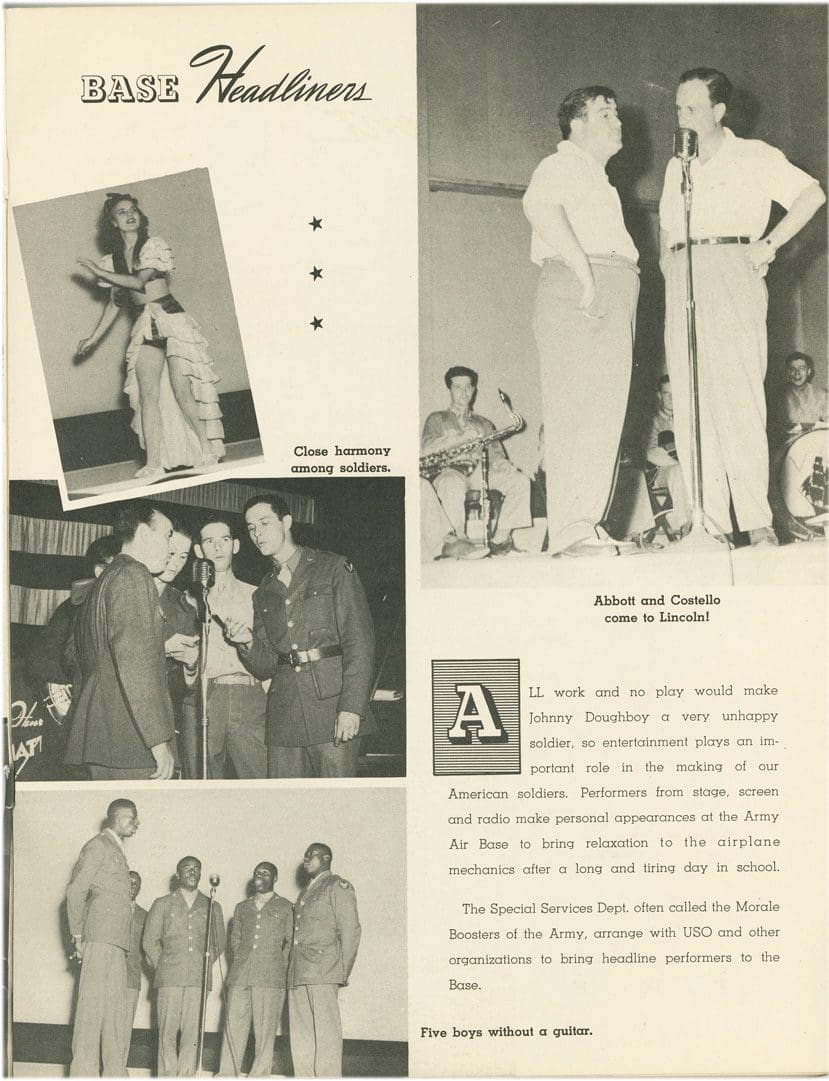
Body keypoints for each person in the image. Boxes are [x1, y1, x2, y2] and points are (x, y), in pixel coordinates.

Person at [659, 68, 825, 546]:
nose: (682, 117)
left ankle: (756, 522)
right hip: (683, 271)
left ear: (718, 111)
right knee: (691, 400)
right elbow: (669, 227)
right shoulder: (678, 165)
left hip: (733, 265)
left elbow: (811, 194)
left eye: (692, 108)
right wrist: (670, 268)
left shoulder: (753, 155)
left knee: (739, 399)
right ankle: (707, 522)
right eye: (677, 108)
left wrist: (769, 244)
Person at [523, 86, 640, 557]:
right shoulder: (563, 163)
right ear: (576, 124)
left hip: (611, 282)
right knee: (576, 410)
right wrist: (583, 271)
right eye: (604, 113)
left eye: (615, 113)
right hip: (581, 282)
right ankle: (571, 529)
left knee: (605, 414)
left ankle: (586, 524)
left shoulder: (598, 177)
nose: (617, 121)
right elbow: (539, 206)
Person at [223, 495, 376, 779]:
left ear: (287, 522)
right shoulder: (263, 593)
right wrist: (246, 642)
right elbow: (266, 665)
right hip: (285, 718)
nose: (257, 533)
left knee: (337, 805)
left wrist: (352, 708)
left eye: (264, 523)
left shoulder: (333, 568)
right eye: (251, 527)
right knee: (288, 807)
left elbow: (360, 642)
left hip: (332, 710)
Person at [75, 192, 224, 481]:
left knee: (182, 390)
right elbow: (117, 302)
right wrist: (92, 338)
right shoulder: (113, 260)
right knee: (147, 396)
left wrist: (95, 270)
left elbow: (139, 283)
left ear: (140, 217)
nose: (129, 215)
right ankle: (154, 462)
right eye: (121, 212)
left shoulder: (154, 246)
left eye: (133, 210)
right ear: (113, 222)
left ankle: (207, 449)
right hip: (146, 324)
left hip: (172, 319)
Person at [63, 502, 178, 780]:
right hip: (130, 737)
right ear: (143, 534)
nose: (171, 548)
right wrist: (158, 741)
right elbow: (135, 663)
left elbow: (76, 658)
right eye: (167, 536)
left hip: (104, 734)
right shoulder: (133, 574)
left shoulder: (105, 580)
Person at [421, 366, 531, 554]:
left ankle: (500, 539)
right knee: (451, 483)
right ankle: (459, 541)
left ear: (473, 390)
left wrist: (501, 463)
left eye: (468, 387)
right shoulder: (436, 419)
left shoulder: (484, 423)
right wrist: (457, 438)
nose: (463, 392)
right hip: (449, 470)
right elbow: (427, 448)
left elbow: (496, 452)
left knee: (521, 481)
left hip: (479, 471)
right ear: (450, 390)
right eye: (458, 387)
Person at [66, 798, 139, 1077]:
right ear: (115, 817)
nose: (136, 824)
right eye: (131, 818)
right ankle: (83, 1073)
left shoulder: (117, 851)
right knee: (91, 1010)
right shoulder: (98, 845)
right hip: (98, 939)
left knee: (115, 1013)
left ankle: (114, 1072)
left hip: (117, 943)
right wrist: (77, 935)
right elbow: (75, 892)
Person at [193, 514, 267, 778]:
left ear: (235, 545)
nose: (217, 548)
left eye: (224, 540)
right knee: (205, 780)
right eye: (209, 541)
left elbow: (268, 655)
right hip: (206, 697)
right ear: (199, 550)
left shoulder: (257, 595)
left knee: (259, 779)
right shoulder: (190, 600)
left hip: (249, 696)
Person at [143, 856, 226, 1077]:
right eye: (187, 868)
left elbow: (219, 942)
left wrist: (201, 963)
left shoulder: (212, 905)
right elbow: (149, 940)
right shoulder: (162, 903)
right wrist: (164, 965)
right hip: (169, 979)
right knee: (166, 1033)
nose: (193, 872)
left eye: (197, 869)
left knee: (192, 1035)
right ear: (178, 875)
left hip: (198, 980)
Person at [287, 844, 361, 1078]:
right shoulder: (307, 891)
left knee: (326, 1034)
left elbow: (351, 930)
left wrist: (341, 970)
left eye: (312, 855)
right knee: (301, 1035)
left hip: (323, 971)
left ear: (326, 858)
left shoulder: (337, 886)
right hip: (299, 972)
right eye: (306, 854)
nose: (306, 858)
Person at [218, 862, 293, 1077]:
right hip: (240, 976)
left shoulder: (286, 907)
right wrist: (241, 962)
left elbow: (289, 942)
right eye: (257, 872)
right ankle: (226, 1074)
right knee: (233, 1029)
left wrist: (280, 966)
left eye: (266, 873)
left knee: (265, 1031)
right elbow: (235, 939)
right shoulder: (242, 907)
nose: (260, 876)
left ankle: (259, 1075)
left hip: (271, 978)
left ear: (275, 879)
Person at [154, 524, 200, 776]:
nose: (176, 562)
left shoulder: (184, 610)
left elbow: (180, 690)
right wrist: (160, 649)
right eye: (171, 553)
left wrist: (191, 665)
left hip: (162, 720)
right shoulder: (123, 590)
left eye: (183, 556)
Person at [645, 375, 690, 534]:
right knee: (678, 471)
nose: (671, 398)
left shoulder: (687, 419)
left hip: (686, 470)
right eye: (666, 394)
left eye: (674, 393)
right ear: (659, 395)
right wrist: (679, 463)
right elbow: (650, 452)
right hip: (660, 472)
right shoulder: (653, 420)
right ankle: (685, 526)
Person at [420, 477, 489, 561]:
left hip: (463, 471)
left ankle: (452, 541)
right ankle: (445, 544)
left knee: (450, 480)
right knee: (423, 484)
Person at [777, 352, 828, 437]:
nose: (797, 373)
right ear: (788, 373)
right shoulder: (778, 397)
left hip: (817, 443)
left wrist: (806, 426)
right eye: (792, 369)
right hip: (790, 446)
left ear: (808, 371)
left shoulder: (822, 395)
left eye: (801, 368)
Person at [126, 871, 148, 1029]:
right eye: (129, 881)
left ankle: (121, 1055)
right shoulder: (107, 910)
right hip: (106, 976)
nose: (133, 885)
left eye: (137, 883)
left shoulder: (145, 916)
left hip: (131, 978)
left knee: (125, 1025)